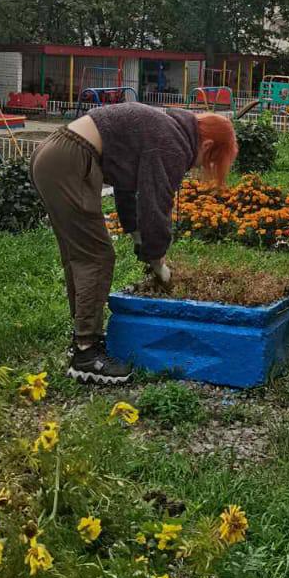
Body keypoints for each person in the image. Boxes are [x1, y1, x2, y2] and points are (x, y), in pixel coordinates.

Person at [30, 102, 237, 384]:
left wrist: (137, 236)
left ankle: (84, 339)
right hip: (70, 159)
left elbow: (127, 188)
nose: (201, 167)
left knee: (79, 254)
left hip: (55, 153)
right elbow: (156, 204)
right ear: (208, 142)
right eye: (208, 160)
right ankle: (86, 355)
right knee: (96, 257)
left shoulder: (165, 129)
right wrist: (157, 259)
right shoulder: (172, 143)